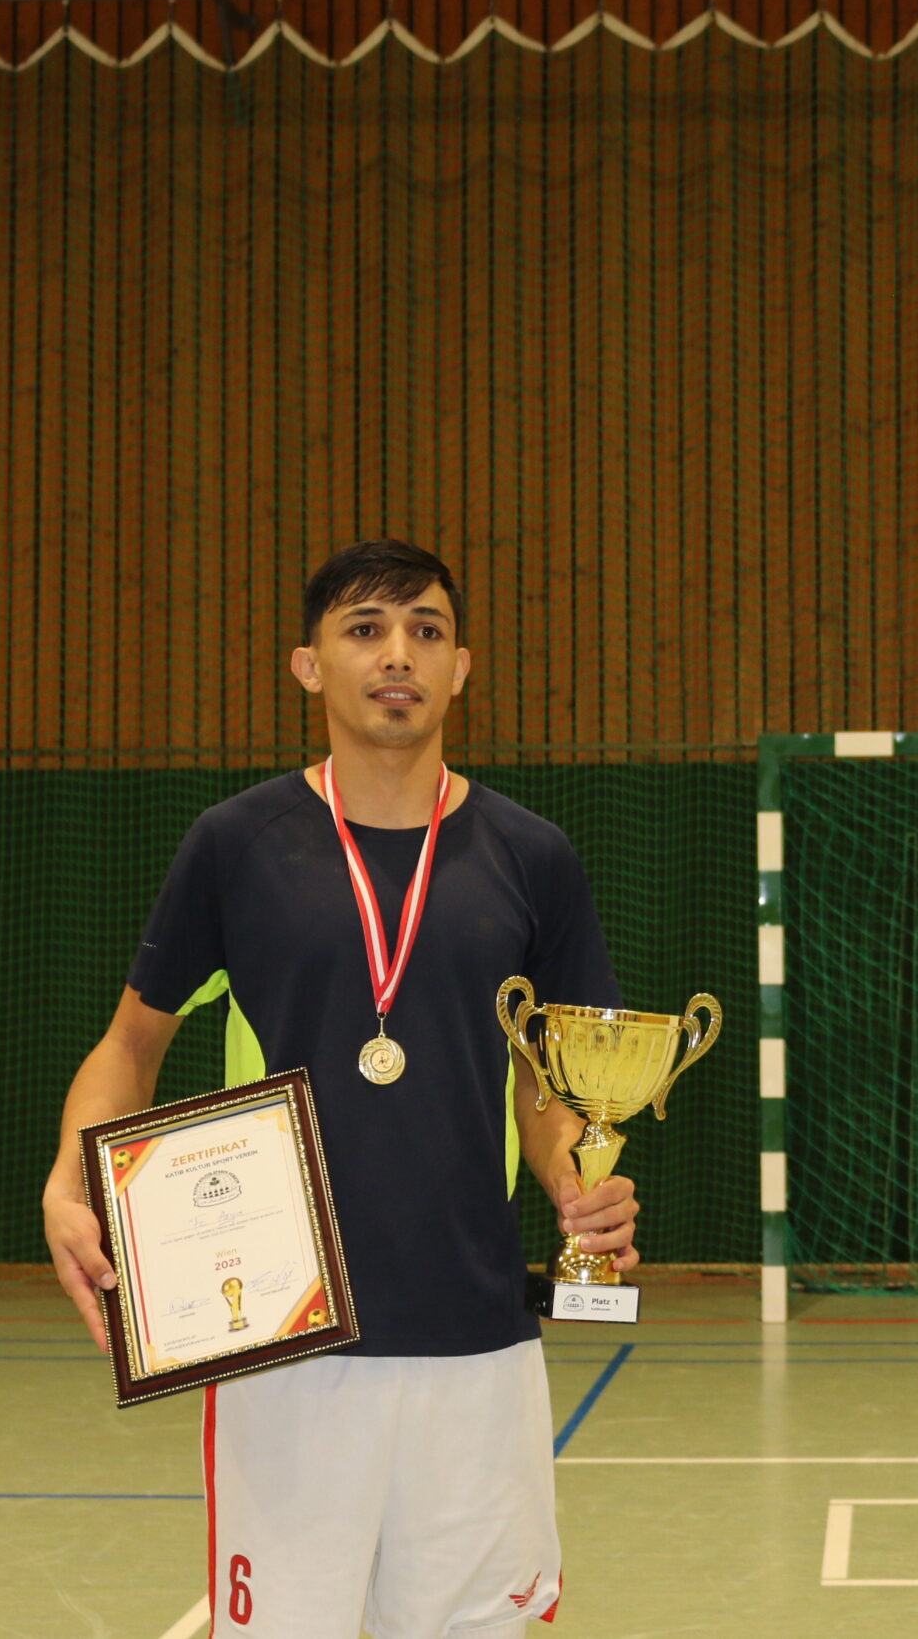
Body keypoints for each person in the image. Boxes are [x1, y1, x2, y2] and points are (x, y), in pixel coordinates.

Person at [40, 538, 637, 1638]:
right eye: (365, 629)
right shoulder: (235, 845)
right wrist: (70, 1180)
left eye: (426, 630)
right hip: (283, 1345)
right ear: (309, 664)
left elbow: (548, 1082)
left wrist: (574, 1181)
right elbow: (130, 1044)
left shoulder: (531, 856)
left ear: (461, 667)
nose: (397, 653)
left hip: (479, 1343)